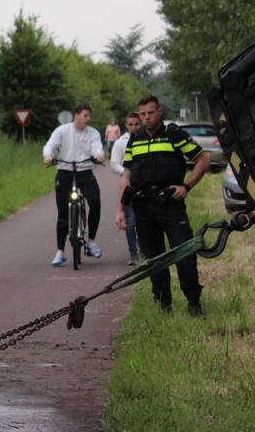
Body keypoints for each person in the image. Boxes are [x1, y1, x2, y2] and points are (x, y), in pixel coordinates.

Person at [115, 95, 210, 316]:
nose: (146, 118)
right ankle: (163, 306)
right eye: (142, 114)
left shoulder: (174, 134)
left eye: (150, 113)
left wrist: (187, 186)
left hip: (170, 204)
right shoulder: (134, 139)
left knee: (184, 253)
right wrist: (120, 209)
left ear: (160, 112)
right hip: (142, 206)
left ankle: (194, 303)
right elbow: (126, 176)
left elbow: (203, 159)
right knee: (154, 260)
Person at [42, 103, 105, 266]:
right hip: (64, 173)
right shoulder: (62, 131)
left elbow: (97, 148)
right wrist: (48, 156)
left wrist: (98, 155)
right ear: (76, 115)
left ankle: (91, 242)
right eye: (85, 115)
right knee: (63, 214)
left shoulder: (93, 133)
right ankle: (60, 252)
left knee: (95, 202)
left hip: (85, 173)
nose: (88, 119)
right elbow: (51, 145)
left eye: (89, 116)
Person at [109, 112, 142, 265]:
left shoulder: (146, 139)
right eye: (131, 124)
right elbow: (114, 163)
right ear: (126, 125)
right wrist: (127, 173)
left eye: (136, 124)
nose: (134, 127)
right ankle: (133, 254)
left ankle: (145, 249)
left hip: (145, 185)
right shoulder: (121, 143)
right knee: (131, 220)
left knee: (144, 219)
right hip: (128, 185)